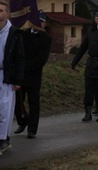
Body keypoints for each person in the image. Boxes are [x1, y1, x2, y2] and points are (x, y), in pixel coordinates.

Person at [14, 10, 51, 139]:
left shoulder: (46, 38)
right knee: (17, 102)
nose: (39, 24)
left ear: (44, 24)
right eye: (37, 21)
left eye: (41, 21)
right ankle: (23, 121)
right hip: (20, 75)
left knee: (33, 103)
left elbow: (41, 59)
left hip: (34, 76)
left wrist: (25, 66)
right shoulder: (23, 35)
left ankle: (32, 129)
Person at [0, 0, 24, 155]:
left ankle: (3, 139)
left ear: (7, 14)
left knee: (5, 109)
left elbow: (19, 58)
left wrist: (17, 80)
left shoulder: (14, 33)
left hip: (6, 75)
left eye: (1, 10)